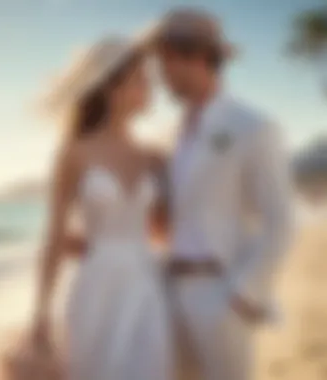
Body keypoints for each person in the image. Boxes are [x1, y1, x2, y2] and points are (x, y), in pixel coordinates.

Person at [146, 8, 293, 380]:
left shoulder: (253, 126)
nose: (161, 77)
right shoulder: (170, 134)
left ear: (192, 57)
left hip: (222, 293)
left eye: (164, 63)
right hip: (170, 295)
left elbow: (281, 221)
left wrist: (242, 296)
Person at [31, 36, 173, 380]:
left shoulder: (155, 157)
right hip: (96, 290)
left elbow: (162, 231)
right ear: (112, 87)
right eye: (141, 79)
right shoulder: (74, 153)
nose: (150, 87)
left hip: (146, 286)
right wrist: (41, 312)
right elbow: (53, 237)